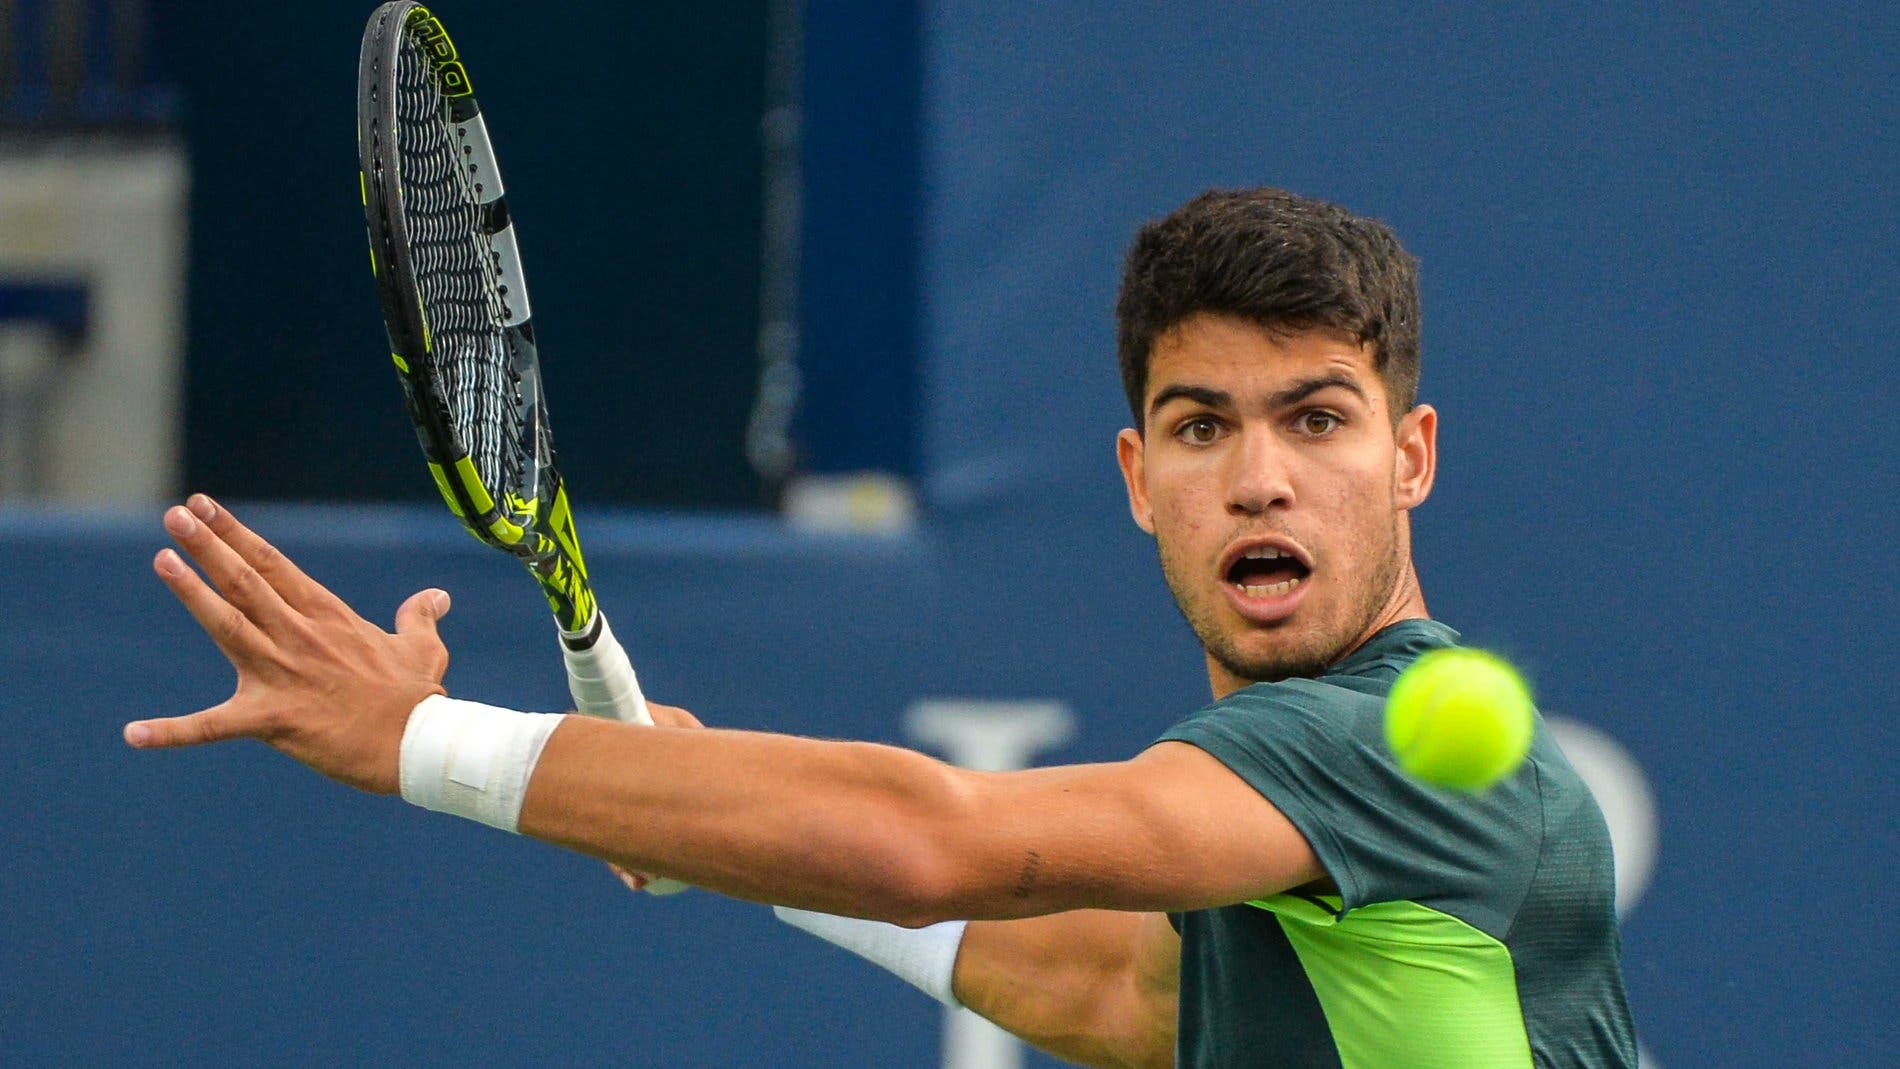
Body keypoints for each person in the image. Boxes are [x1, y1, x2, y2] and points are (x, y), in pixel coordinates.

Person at [127, 188, 1636, 1068]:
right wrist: (729, 837)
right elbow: (1114, 989)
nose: (1259, 478)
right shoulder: (1297, 846)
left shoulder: (1397, 743)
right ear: (1138, 477)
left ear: (1413, 456)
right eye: (1200, 426)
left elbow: (933, 840)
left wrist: (417, 737)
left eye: (1319, 419)